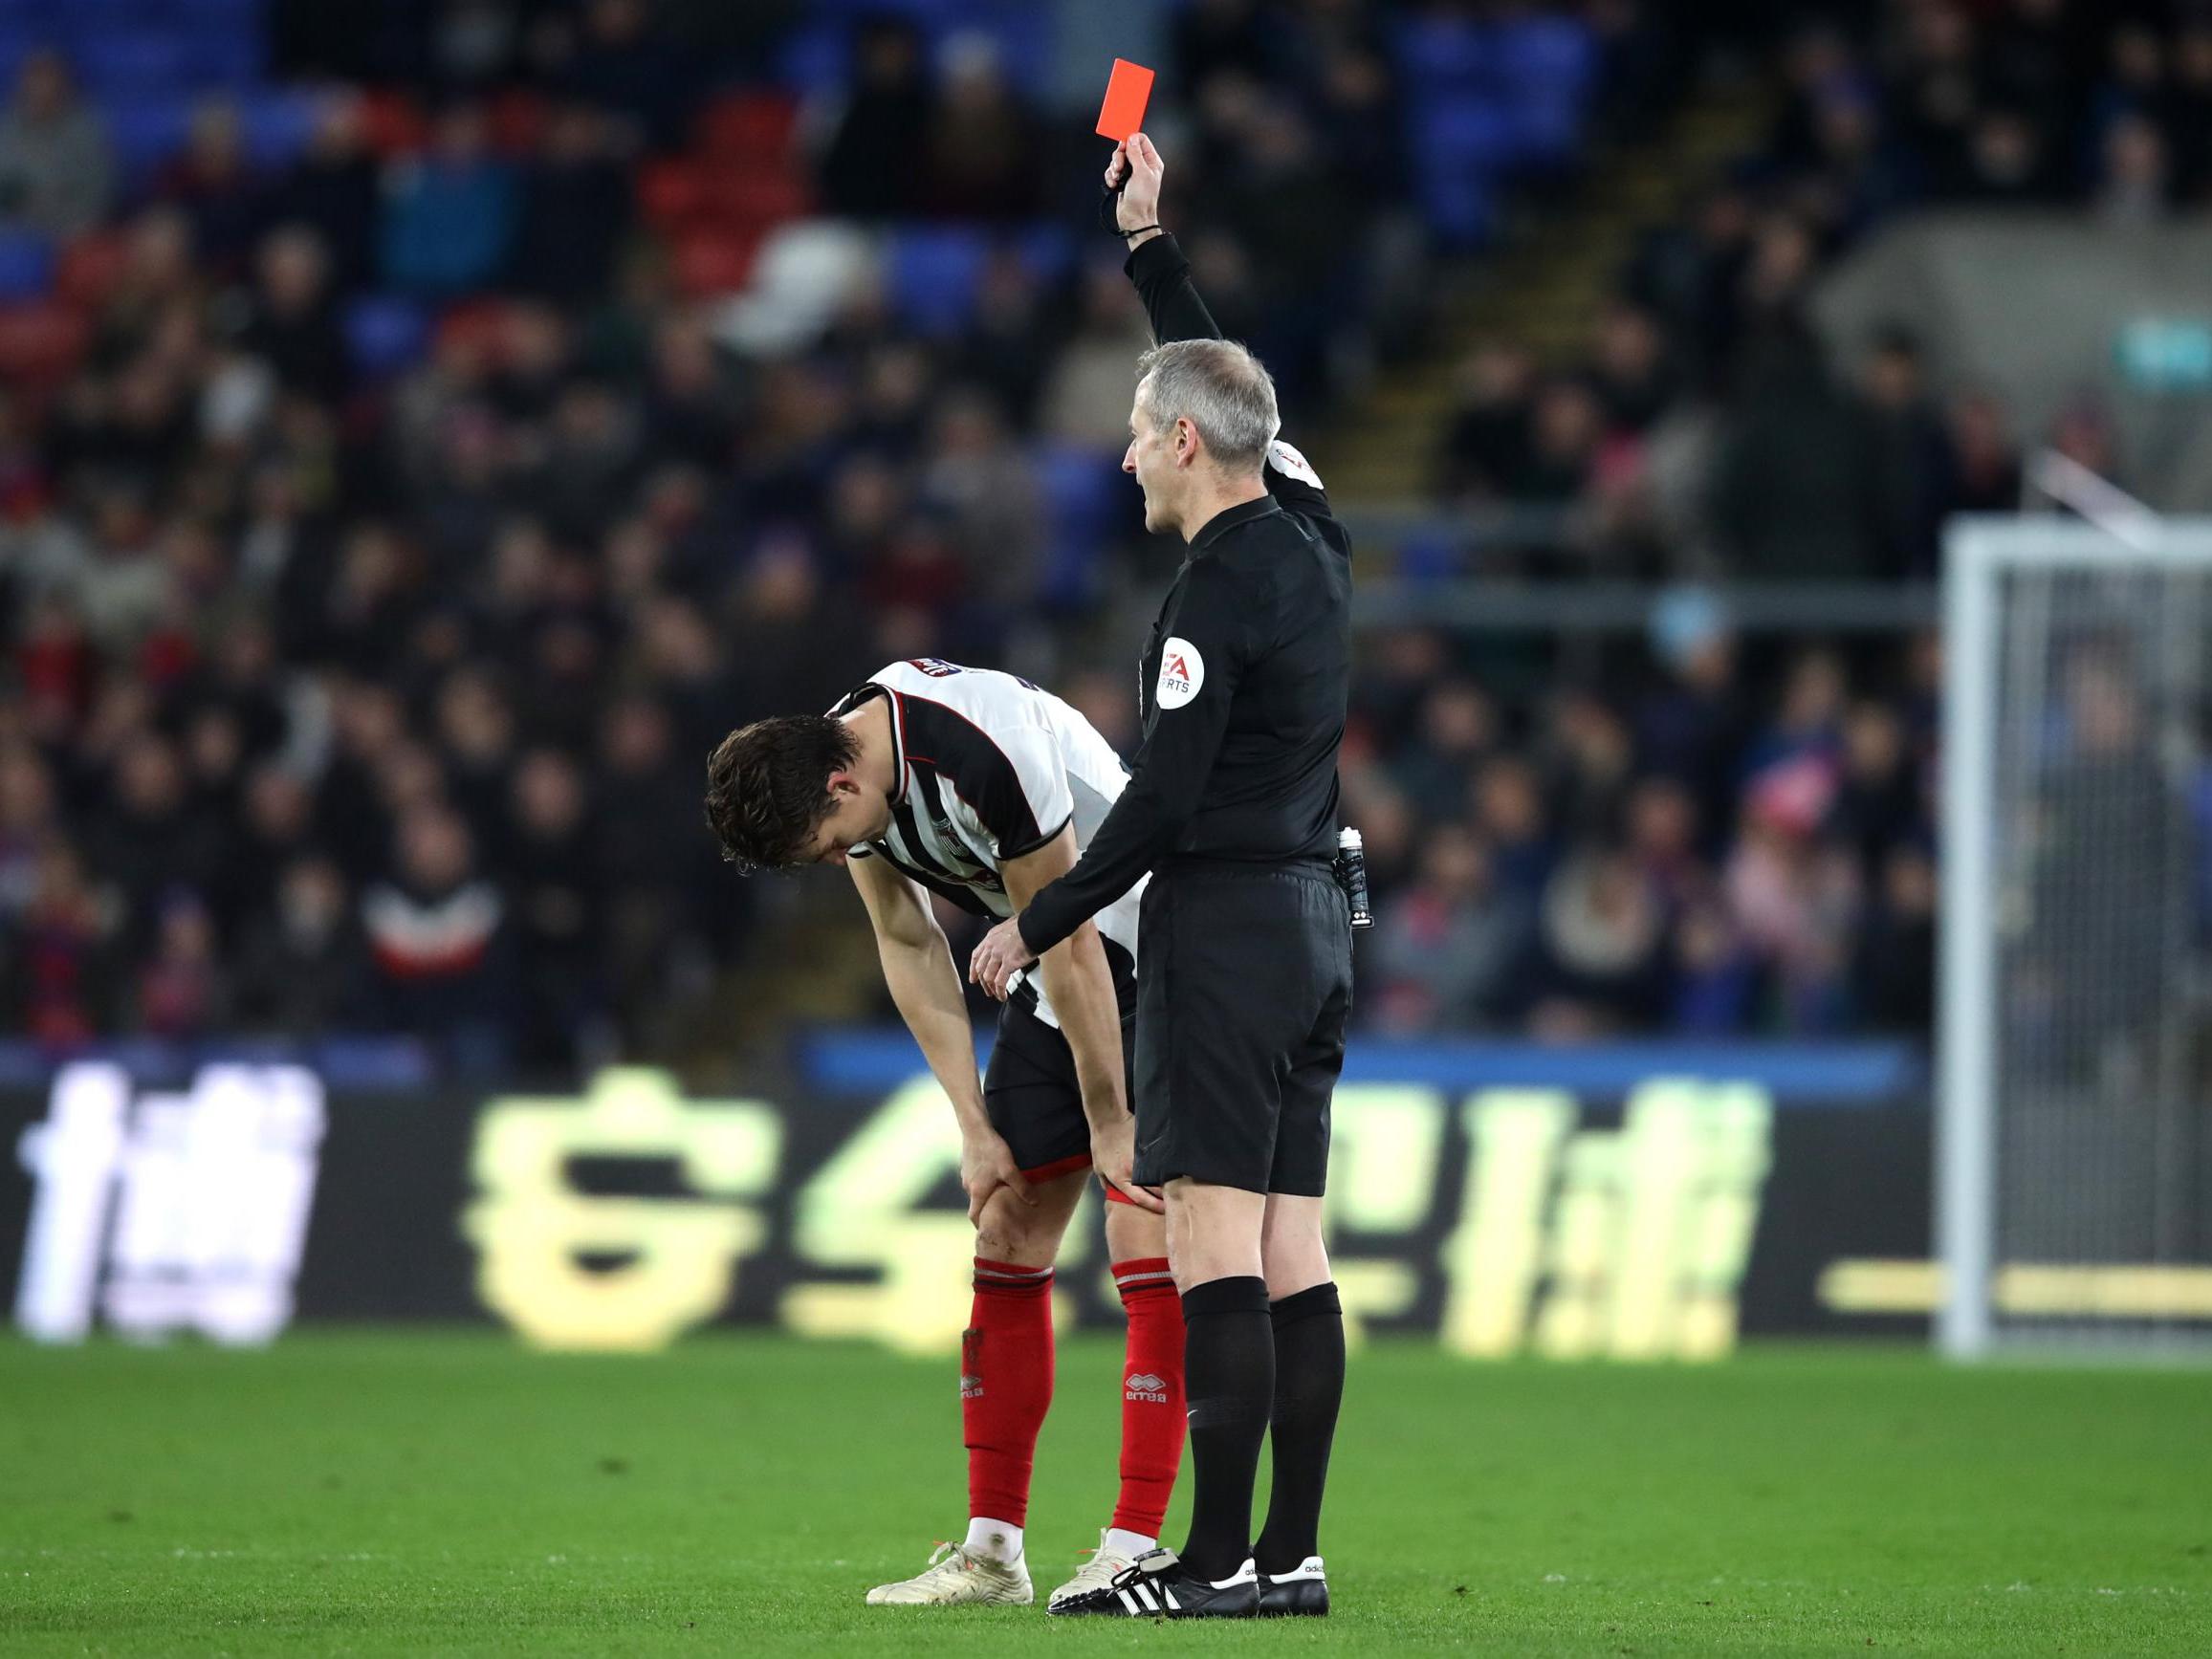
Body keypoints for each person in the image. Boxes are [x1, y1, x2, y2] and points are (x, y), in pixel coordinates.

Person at [969, 133, 1352, 1620]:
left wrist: (1039, 915)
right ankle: (1291, 1554)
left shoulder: (1209, 595)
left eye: (1139, 432)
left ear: (1184, 447)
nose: (1125, 452)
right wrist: (1150, 248)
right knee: (1292, 1240)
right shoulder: (1312, 531)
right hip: (1322, 921)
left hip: (1232, 926)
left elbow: (1163, 801)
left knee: (1209, 1240)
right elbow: (1234, 389)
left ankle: (1204, 1558)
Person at [702, 659, 1185, 1612]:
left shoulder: (979, 748)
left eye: (825, 841)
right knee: (1005, 1223)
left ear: (844, 784)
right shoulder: (852, 773)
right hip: (1058, 972)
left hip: (1159, 951)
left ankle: (1134, 1545)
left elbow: (1076, 931)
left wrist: (1114, 1123)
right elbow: (909, 939)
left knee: (1144, 1221)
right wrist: (973, 1127)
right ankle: (995, 1554)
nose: (832, 856)